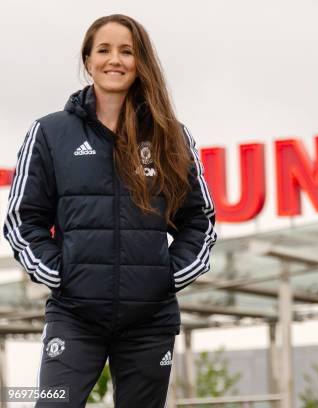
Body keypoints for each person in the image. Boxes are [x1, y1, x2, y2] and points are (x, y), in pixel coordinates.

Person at [3, 14, 217, 407]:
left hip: (149, 320)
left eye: (126, 51)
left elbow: (199, 219)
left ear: (141, 62)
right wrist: (62, 274)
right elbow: (22, 219)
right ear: (88, 61)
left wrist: (167, 277)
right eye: (103, 50)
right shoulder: (50, 133)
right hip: (74, 316)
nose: (114, 60)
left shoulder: (171, 135)